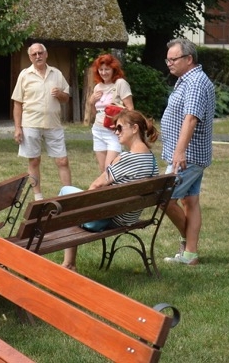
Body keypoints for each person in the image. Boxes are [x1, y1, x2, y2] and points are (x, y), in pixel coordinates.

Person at [59, 108, 159, 271]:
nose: (116, 132)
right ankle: (68, 263)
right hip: (129, 216)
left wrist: (81, 206)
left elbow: (97, 185)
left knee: (66, 193)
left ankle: (69, 263)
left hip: (107, 219)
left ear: (134, 129)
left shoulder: (126, 158)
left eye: (119, 128)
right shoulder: (151, 159)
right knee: (72, 203)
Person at [160, 38, 215, 266]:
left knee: (164, 198)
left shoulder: (195, 83)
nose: (169, 63)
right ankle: (190, 254)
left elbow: (191, 119)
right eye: (168, 59)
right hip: (188, 154)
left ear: (189, 59)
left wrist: (180, 151)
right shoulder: (187, 80)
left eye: (173, 59)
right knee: (190, 202)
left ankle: (187, 242)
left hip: (187, 156)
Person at [11, 43, 72, 201]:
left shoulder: (56, 74)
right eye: (34, 54)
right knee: (34, 160)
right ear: (30, 57)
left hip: (54, 124)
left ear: (46, 54)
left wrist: (60, 94)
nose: (37, 56)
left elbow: (66, 98)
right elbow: (17, 103)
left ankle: (68, 195)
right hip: (31, 123)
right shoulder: (25, 75)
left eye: (40, 53)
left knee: (62, 160)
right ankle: (38, 197)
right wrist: (17, 128)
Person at [88, 53, 135, 172]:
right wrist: (91, 102)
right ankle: (107, 190)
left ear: (114, 69)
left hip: (113, 132)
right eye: (101, 69)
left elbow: (130, 109)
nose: (103, 73)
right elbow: (96, 114)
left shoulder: (120, 83)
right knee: (103, 171)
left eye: (107, 69)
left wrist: (120, 126)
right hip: (98, 130)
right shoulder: (98, 87)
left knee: (110, 169)